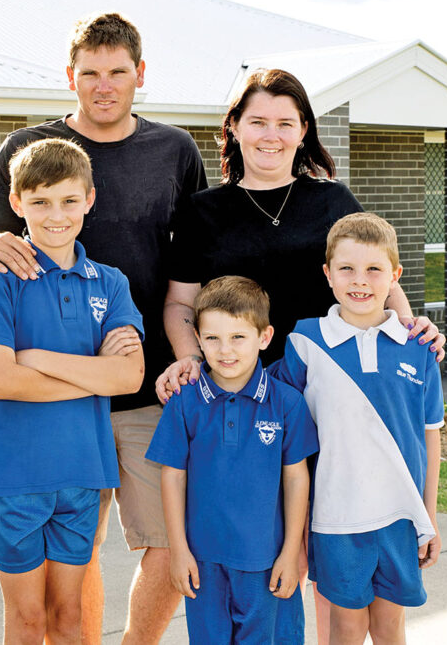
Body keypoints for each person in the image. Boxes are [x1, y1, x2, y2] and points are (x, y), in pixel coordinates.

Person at [156, 68, 445, 643]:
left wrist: (411, 328)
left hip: (332, 396)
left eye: (285, 123)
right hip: (248, 401)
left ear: (303, 130)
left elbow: (376, 271)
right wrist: (191, 357)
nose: (271, 134)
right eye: (257, 120)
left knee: (338, 547)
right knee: (271, 549)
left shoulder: (331, 199)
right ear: (233, 128)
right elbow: (178, 305)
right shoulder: (202, 210)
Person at [0, 13, 207, 643]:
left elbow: (192, 266)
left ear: (140, 75)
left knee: (168, 540)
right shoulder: (28, 150)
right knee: (77, 554)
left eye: (117, 72)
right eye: (90, 73)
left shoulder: (175, 150)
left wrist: (188, 352)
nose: (104, 85)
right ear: (69, 76)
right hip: (56, 419)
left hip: (142, 386)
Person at [0, 138, 146, 644]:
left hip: (83, 475)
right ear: (17, 204)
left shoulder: (109, 283)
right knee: (28, 621)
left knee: (70, 618)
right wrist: (92, 374)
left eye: (68, 200)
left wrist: (38, 361)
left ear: (89, 199)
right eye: (40, 202)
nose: (56, 215)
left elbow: (128, 378)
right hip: (12, 476)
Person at [270, 213, 443, 645]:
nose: (359, 281)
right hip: (336, 518)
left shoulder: (419, 348)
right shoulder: (305, 343)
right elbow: (265, 401)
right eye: (346, 268)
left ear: (395, 275)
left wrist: (430, 516)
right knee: (345, 629)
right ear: (327, 274)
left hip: (401, 516)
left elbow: (430, 436)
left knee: (390, 628)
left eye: (373, 269)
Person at [146, 276, 318, 644]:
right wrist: (178, 551)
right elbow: (172, 477)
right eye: (212, 338)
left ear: (264, 337)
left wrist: (291, 553)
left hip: (266, 563)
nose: (225, 350)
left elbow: (296, 480)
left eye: (238, 337)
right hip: (204, 564)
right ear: (198, 340)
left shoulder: (287, 403)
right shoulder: (185, 402)